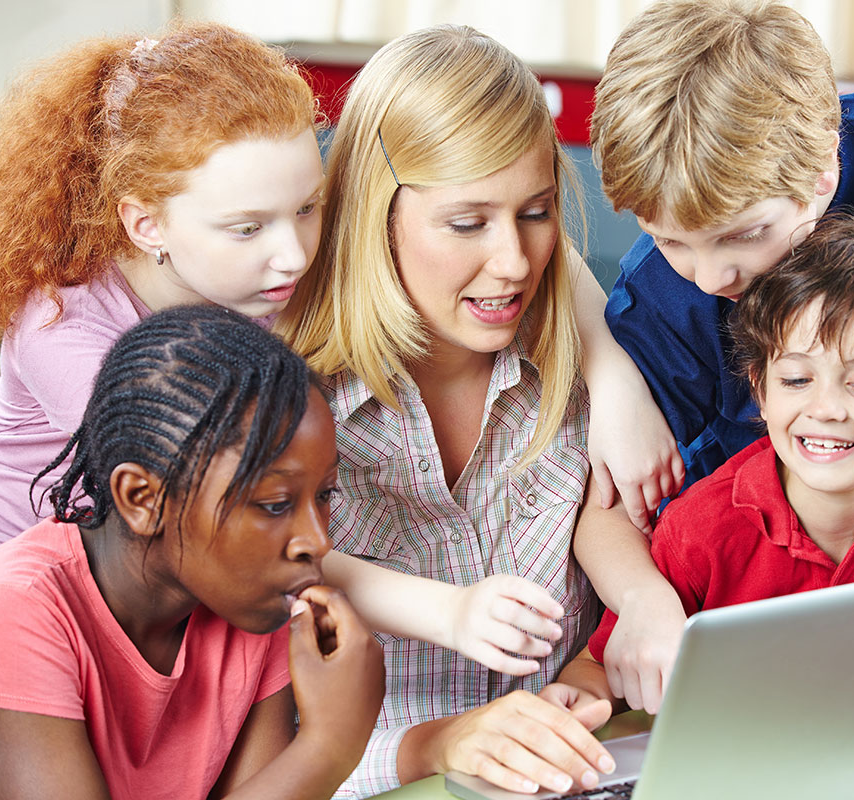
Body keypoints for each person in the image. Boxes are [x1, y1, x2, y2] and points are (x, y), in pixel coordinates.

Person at [0, 21, 680, 614]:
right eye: (249, 226)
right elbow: (223, 522)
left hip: (113, 583)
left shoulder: (258, 278)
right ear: (147, 225)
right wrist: (444, 612)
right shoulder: (66, 325)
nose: (293, 254)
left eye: (309, 208)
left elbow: (525, 257)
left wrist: (615, 378)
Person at [577, 0, 854, 712]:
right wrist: (645, 602)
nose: (711, 275)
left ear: (824, 170)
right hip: (758, 622)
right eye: (671, 239)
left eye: (746, 233)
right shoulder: (659, 302)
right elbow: (611, 510)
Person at [275, 24, 668, 798]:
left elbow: (617, 536)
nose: (515, 262)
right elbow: (255, 744)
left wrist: (598, 665)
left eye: (536, 212)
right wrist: (439, 745)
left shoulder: (582, 369)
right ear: (375, 215)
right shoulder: (288, 400)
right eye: (466, 223)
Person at [560, 215, 854, 731]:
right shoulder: (701, 527)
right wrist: (578, 698)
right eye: (796, 379)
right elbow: (597, 669)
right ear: (760, 389)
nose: (825, 409)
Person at [0, 305, 385, 799]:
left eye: (324, 495)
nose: (318, 541)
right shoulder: (10, 611)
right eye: (275, 504)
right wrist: (330, 742)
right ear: (143, 499)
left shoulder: (255, 602)